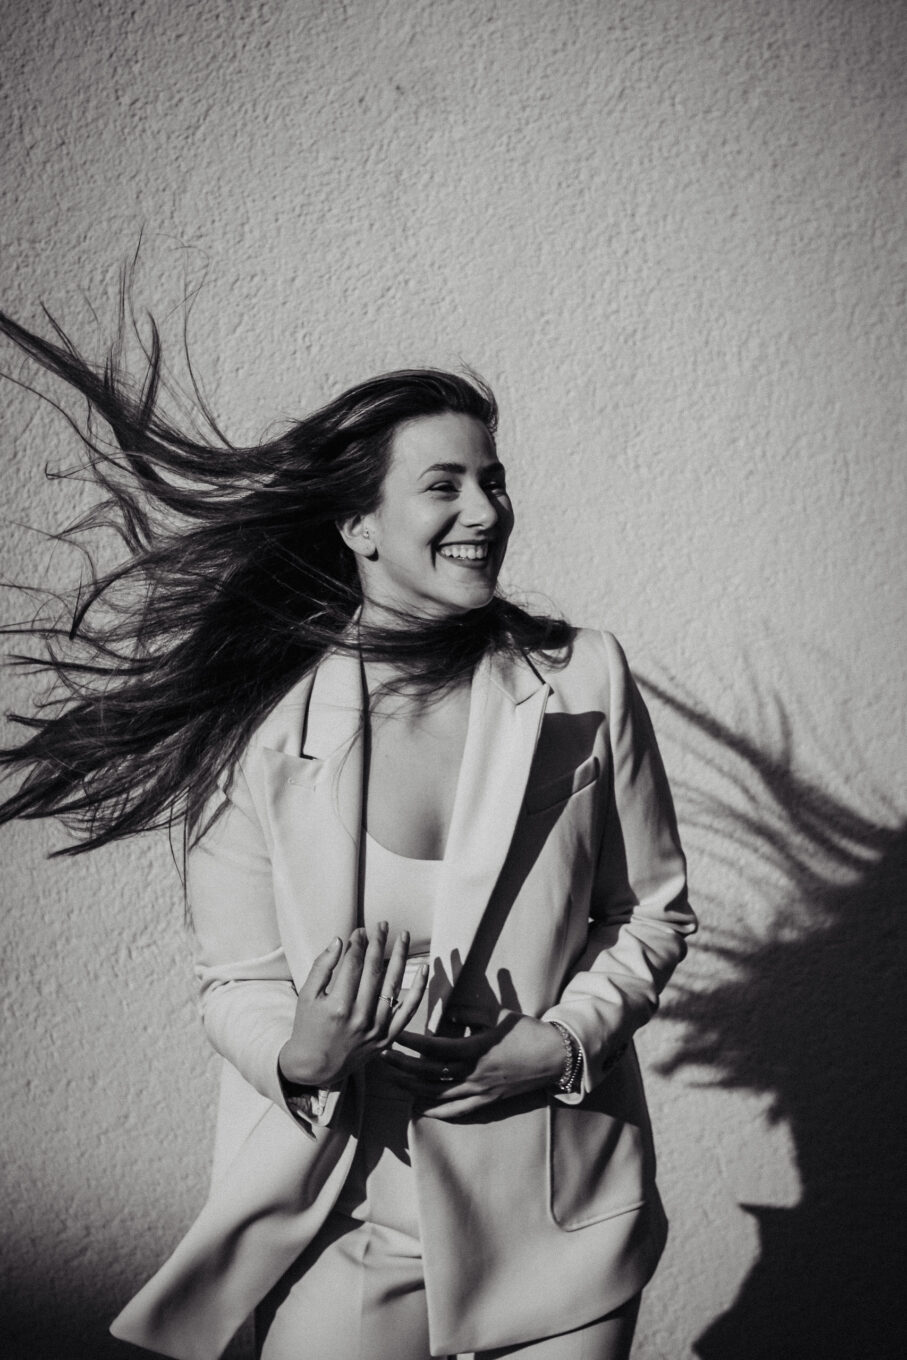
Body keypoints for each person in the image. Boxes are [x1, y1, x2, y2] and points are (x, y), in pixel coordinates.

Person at [0, 297, 695, 1360]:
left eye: (494, 480)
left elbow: (648, 911)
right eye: (443, 485)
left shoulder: (579, 677)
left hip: (557, 1213)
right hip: (346, 1215)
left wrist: (560, 1045)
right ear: (359, 525)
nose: (485, 509)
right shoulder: (263, 729)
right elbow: (235, 979)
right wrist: (304, 1053)